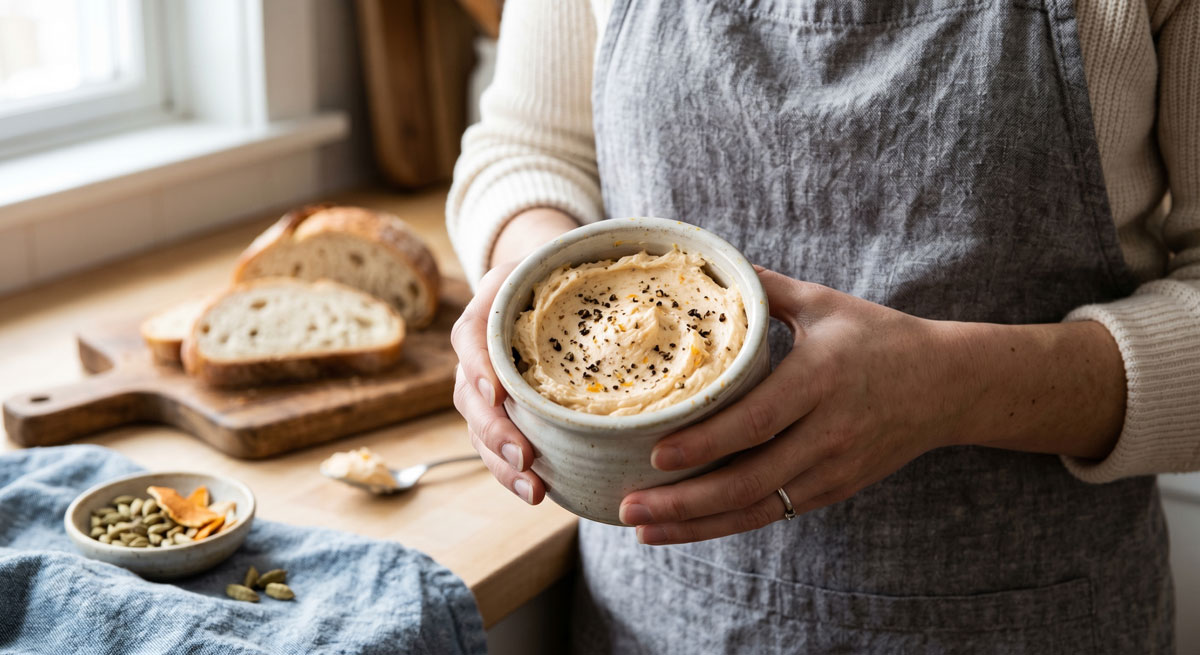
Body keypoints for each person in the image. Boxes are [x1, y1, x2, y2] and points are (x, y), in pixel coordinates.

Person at [447, 0, 1200, 652]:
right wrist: (521, 287)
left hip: (1035, 618)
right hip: (662, 615)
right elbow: (532, 144)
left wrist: (953, 386)